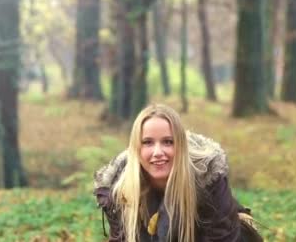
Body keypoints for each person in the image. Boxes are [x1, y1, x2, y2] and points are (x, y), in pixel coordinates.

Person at [93, 103, 262, 242]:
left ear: (180, 146)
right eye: (147, 142)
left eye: (168, 142)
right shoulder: (117, 189)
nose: (158, 152)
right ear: (136, 148)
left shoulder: (207, 178)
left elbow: (223, 237)